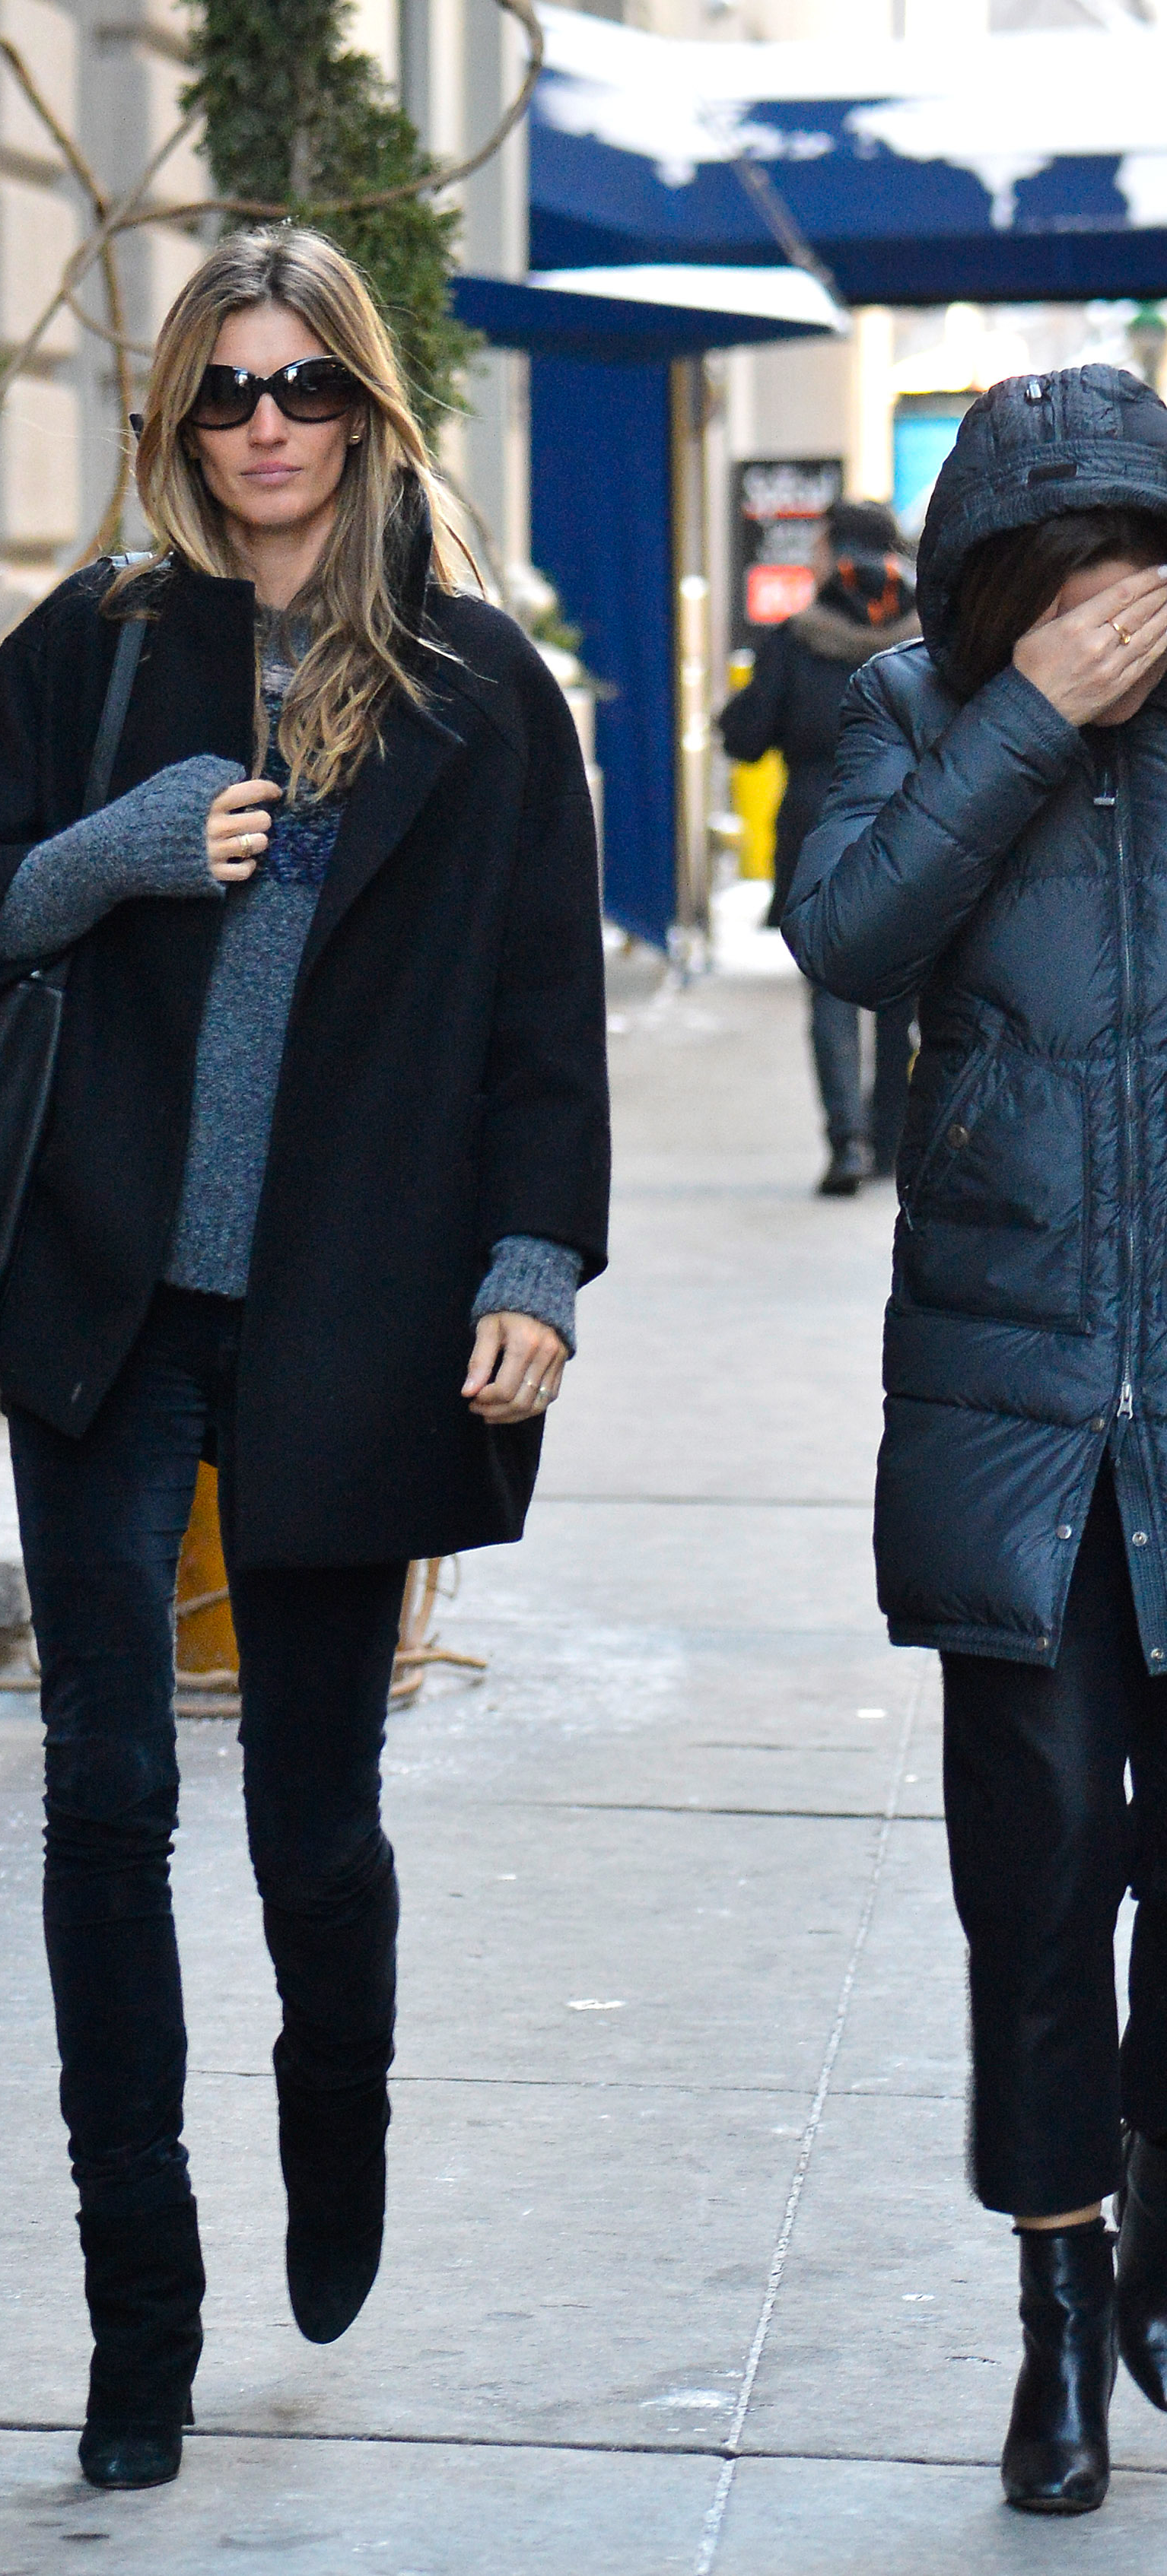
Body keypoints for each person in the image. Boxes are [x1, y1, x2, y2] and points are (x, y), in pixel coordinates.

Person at [0, 228, 610, 2492]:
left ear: (370, 414)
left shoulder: (481, 693)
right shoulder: (98, 650)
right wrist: (114, 853)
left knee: (313, 1809)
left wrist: (534, 1263)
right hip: (102, 1303)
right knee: (105, 1793)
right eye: (224, 393)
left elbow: (535, 1027)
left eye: (303, 387)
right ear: (176, 424)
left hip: (358, 1311)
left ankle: (336, 2107)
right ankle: (140, 2307)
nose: (266, 427)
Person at [784, 364, 1167, 2516]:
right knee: (1034, 1897)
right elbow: (842, 935)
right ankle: (1055, 2304)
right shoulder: (915, 713)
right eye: (1070, 561)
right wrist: (1028, 708)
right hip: (1013, 1409)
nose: (1119, 596)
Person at [719, 499, 922, 1197]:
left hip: (821, 831)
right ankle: (892, 1140)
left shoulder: (799, 637)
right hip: (916, 829)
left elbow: (745, 737)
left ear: (836, 553)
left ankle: (848, 1141)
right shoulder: (934, 638)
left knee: (832, 990)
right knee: (903, 995)